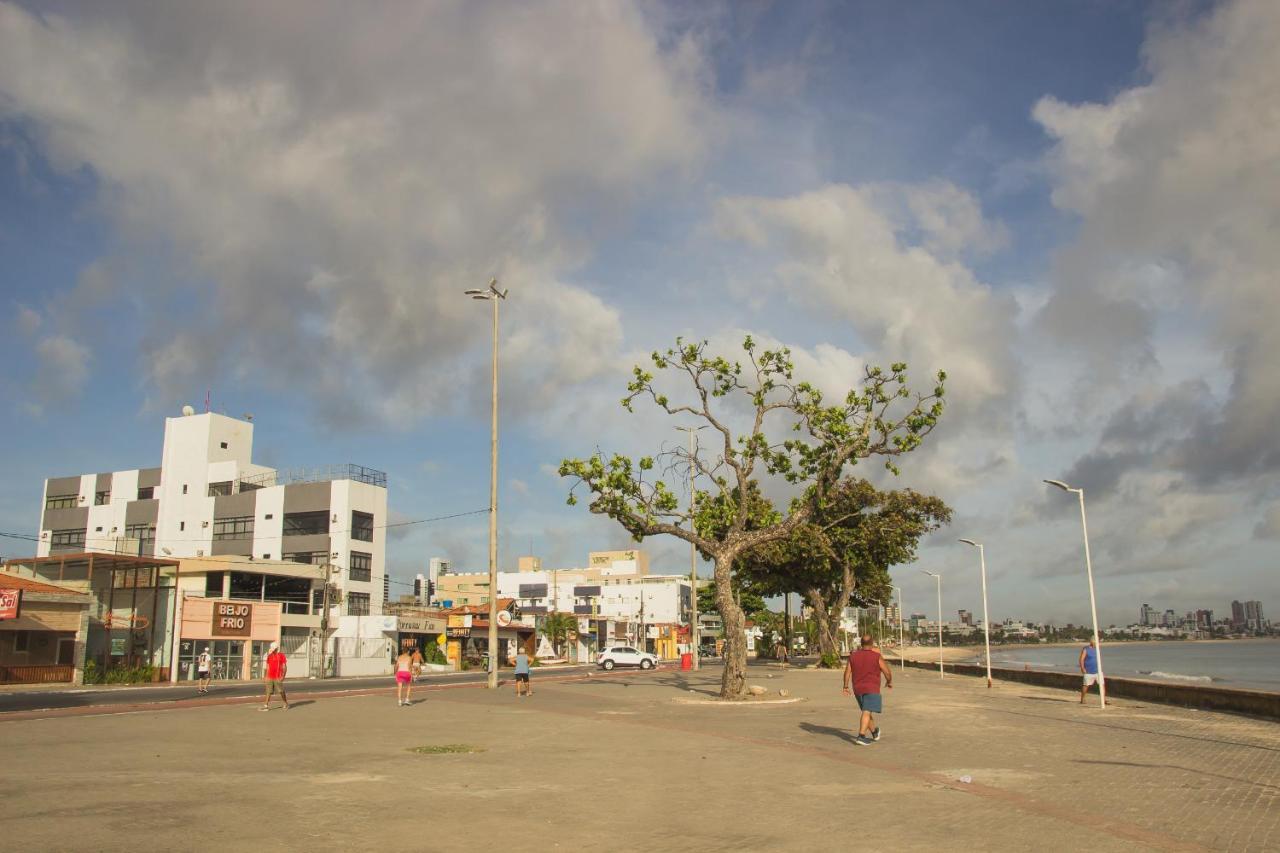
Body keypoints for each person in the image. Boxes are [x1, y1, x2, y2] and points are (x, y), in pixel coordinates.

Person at [842, 634, 892, 746]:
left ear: (861, 643)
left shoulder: (853, 656)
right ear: (872, 643)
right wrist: (889, 682)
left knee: (866, 710)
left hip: (857, 689)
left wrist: (845, 686)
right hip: (872, 688)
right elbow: (887, 672)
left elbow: (847, 672)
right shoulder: (876, 656)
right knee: (866, 711)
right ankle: (861, 735)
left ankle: (874, 732)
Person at [261, 641, 289, 711]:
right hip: (270, 677)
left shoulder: (281, 656)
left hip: (278, 676)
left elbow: (284, 667)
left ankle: (285, 703)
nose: (273, 650)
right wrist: (265, 676)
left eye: (274, 649)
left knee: (281, 691)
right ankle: (266, 705)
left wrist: (283, 676)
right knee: (268, 691)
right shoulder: (269, 656)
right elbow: (267, 667)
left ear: (276, 648)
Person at [1079, 639, 1105, 705]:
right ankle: (1082, 698)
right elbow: (1081, 659)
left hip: (1098, 671)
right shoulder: (1086, 649)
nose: (1096, 644)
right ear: (1091, 642)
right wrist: (1082, 668)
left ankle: (1103, 700)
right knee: (1086, 685)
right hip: (1088, 671)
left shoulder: (1097, 649)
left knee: (1102, 685)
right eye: (1095, 642)